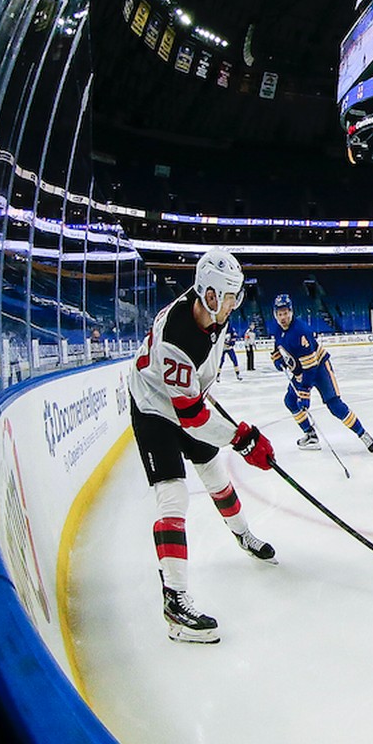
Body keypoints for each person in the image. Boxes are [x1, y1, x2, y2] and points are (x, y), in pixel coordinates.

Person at [126, 247, 277, 643]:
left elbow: (195, 391)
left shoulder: (212, 313)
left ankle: (242, 534)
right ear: (208, 294)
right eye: (228, 296)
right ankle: (175, 602)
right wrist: (242, 438)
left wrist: (202, 392)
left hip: (183, 398)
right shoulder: (177, 336)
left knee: (215, 475)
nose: (234, 304)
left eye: (235, 295)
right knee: (173, 496)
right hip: (154, 407)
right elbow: (191, 417)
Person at [270, 293, 373, 454]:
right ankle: (310, 435)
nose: (283, 317)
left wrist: (305, 393)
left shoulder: (301, 331)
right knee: (290, 401)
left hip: (319, 369)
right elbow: (278, 347)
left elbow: (311, 366)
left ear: (291, 312)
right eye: (279, 314)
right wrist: (277, 358)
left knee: (334, 405)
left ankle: (363, 434)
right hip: (301, 372)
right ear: (275, 315)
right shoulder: (278, 329)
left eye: (285, 313)